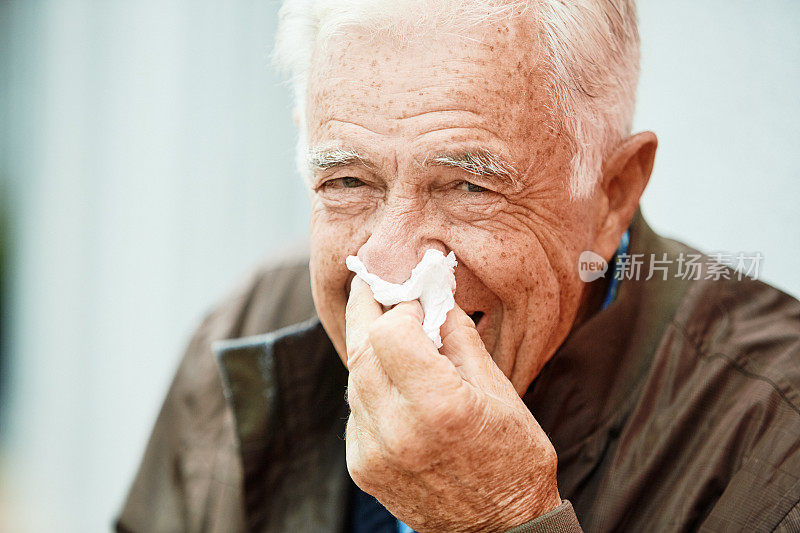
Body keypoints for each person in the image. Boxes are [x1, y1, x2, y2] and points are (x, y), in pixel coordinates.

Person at [116, 1, 800, 531]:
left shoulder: (776, 444)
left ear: (613, 192)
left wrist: (500, 517)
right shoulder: (249, 325)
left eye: (468, 187)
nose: (389, 269)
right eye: (348, 181)